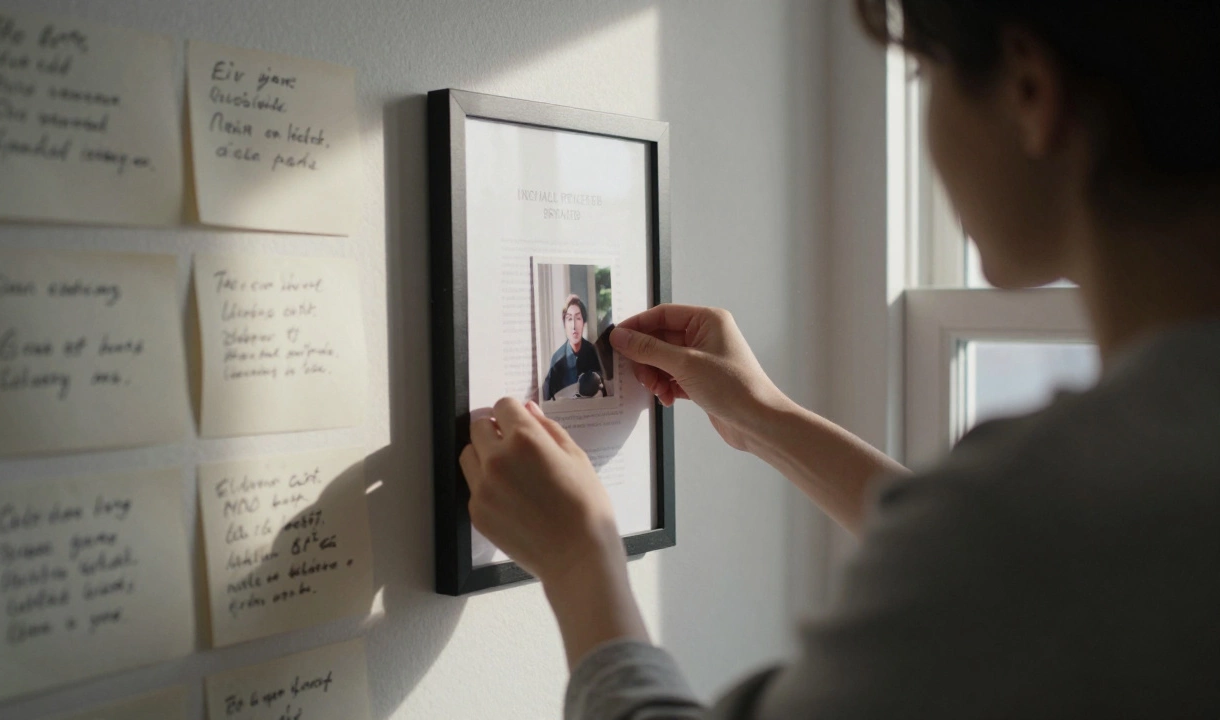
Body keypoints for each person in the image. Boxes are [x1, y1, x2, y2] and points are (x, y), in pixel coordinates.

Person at [459, 1, 1220, 717]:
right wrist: (766, 420)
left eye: (924, 74)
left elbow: (1000, 554)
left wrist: (580, 560)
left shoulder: (1030, 520)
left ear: (1029, 90)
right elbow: (1010, 566)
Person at [543, 294, 605, 401]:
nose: (574, 326)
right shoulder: (557, 359)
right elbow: (549, 397)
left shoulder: (594, 353)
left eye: (578, 318)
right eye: (569, 319)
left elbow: (604, 391)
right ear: (564, 324)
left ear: (584, 323)